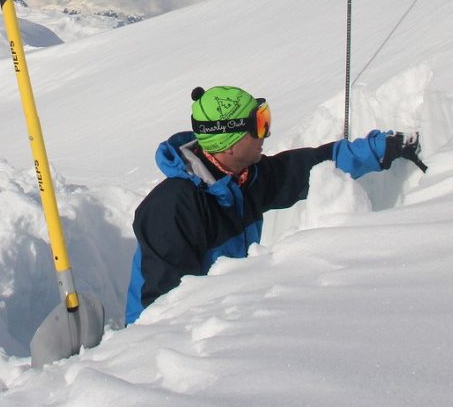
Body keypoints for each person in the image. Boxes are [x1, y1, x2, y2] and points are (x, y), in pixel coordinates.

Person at [124, 85, 425, 325]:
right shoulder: (174, 207)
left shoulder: (243, 179)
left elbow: (312, 165)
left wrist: (382, 149)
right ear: (228, 141)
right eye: (259, 124)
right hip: (159, 347)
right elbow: (164, 311)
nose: (266, 133)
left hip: (218, 318)